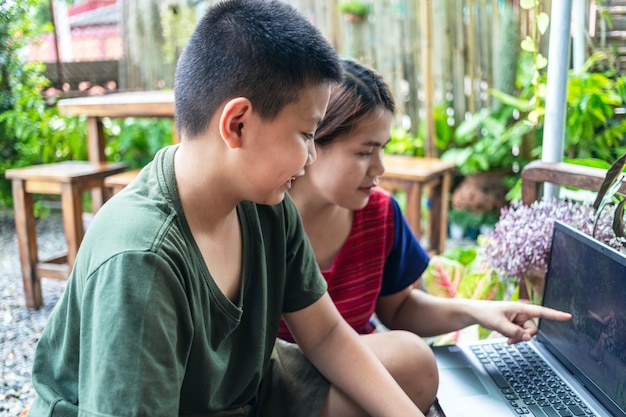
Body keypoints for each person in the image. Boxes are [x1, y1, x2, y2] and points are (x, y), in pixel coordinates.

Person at [27, 2, 429, 417]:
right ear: (237, 123)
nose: (311, 157)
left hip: (245, 389)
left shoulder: (267, 203)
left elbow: (325, 334)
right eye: (306, 134)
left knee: (412, 366)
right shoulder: (140, 259)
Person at [278, 58, 572, 403]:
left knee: (413, 362)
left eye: (382, 149)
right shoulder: (263, 220)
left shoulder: (380, 213)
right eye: (364, 152)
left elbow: (398, 310)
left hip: (360, 377)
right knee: (410, 358)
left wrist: (476, 310)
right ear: (313, 143)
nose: (379, 168)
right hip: (286, 379)